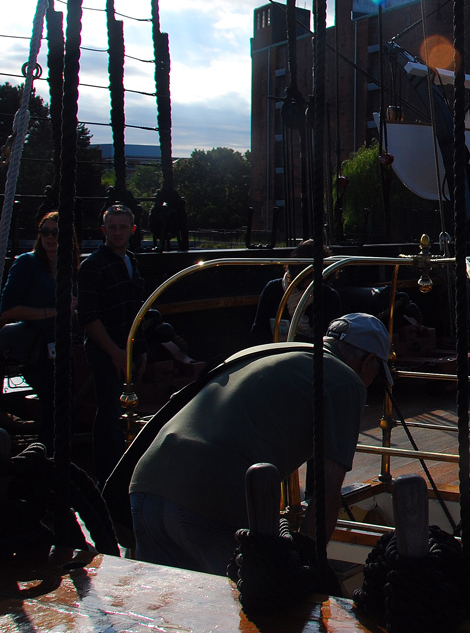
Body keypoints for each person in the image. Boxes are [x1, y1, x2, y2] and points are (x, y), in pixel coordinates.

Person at [129, 313, 390, 575]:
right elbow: (326, 491)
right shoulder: (346, 380)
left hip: (146, 485)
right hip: (209, 500)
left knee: (162, 610)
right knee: (239, 607)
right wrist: (307, 560)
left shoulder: (269, 350)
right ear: (369, 362)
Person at [79, 204, 149, 482]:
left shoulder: (131, 261)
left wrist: (140, 349)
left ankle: (124, 470)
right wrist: (116, 353)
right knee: (109, 412)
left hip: (127, 349)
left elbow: (137, 310)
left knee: (125, 413)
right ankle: (107, 477)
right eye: (112, 227)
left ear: (131, 230)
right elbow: (87, 316)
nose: (117, 232)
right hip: (105, 350)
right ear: (103, 230)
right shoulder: (93, 266)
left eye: (122, 227)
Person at [0, 211, 76, 446]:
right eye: (45, 231)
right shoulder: (27, 264)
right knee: (53, 405)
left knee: (61, 406)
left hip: (62, 345)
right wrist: (54, 311)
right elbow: (6, 312)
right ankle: (45, 457)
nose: (50, 237)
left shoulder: (69, 267)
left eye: (56, 232)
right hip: (36, 348)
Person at [249, 240, 343, 344]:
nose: (314, 283)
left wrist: (298, 342)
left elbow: (330, 337)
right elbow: (258, 330)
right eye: (309, 278)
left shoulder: (329, 296)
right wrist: (277, 342)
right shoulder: (273, 289)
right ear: (299, 273)